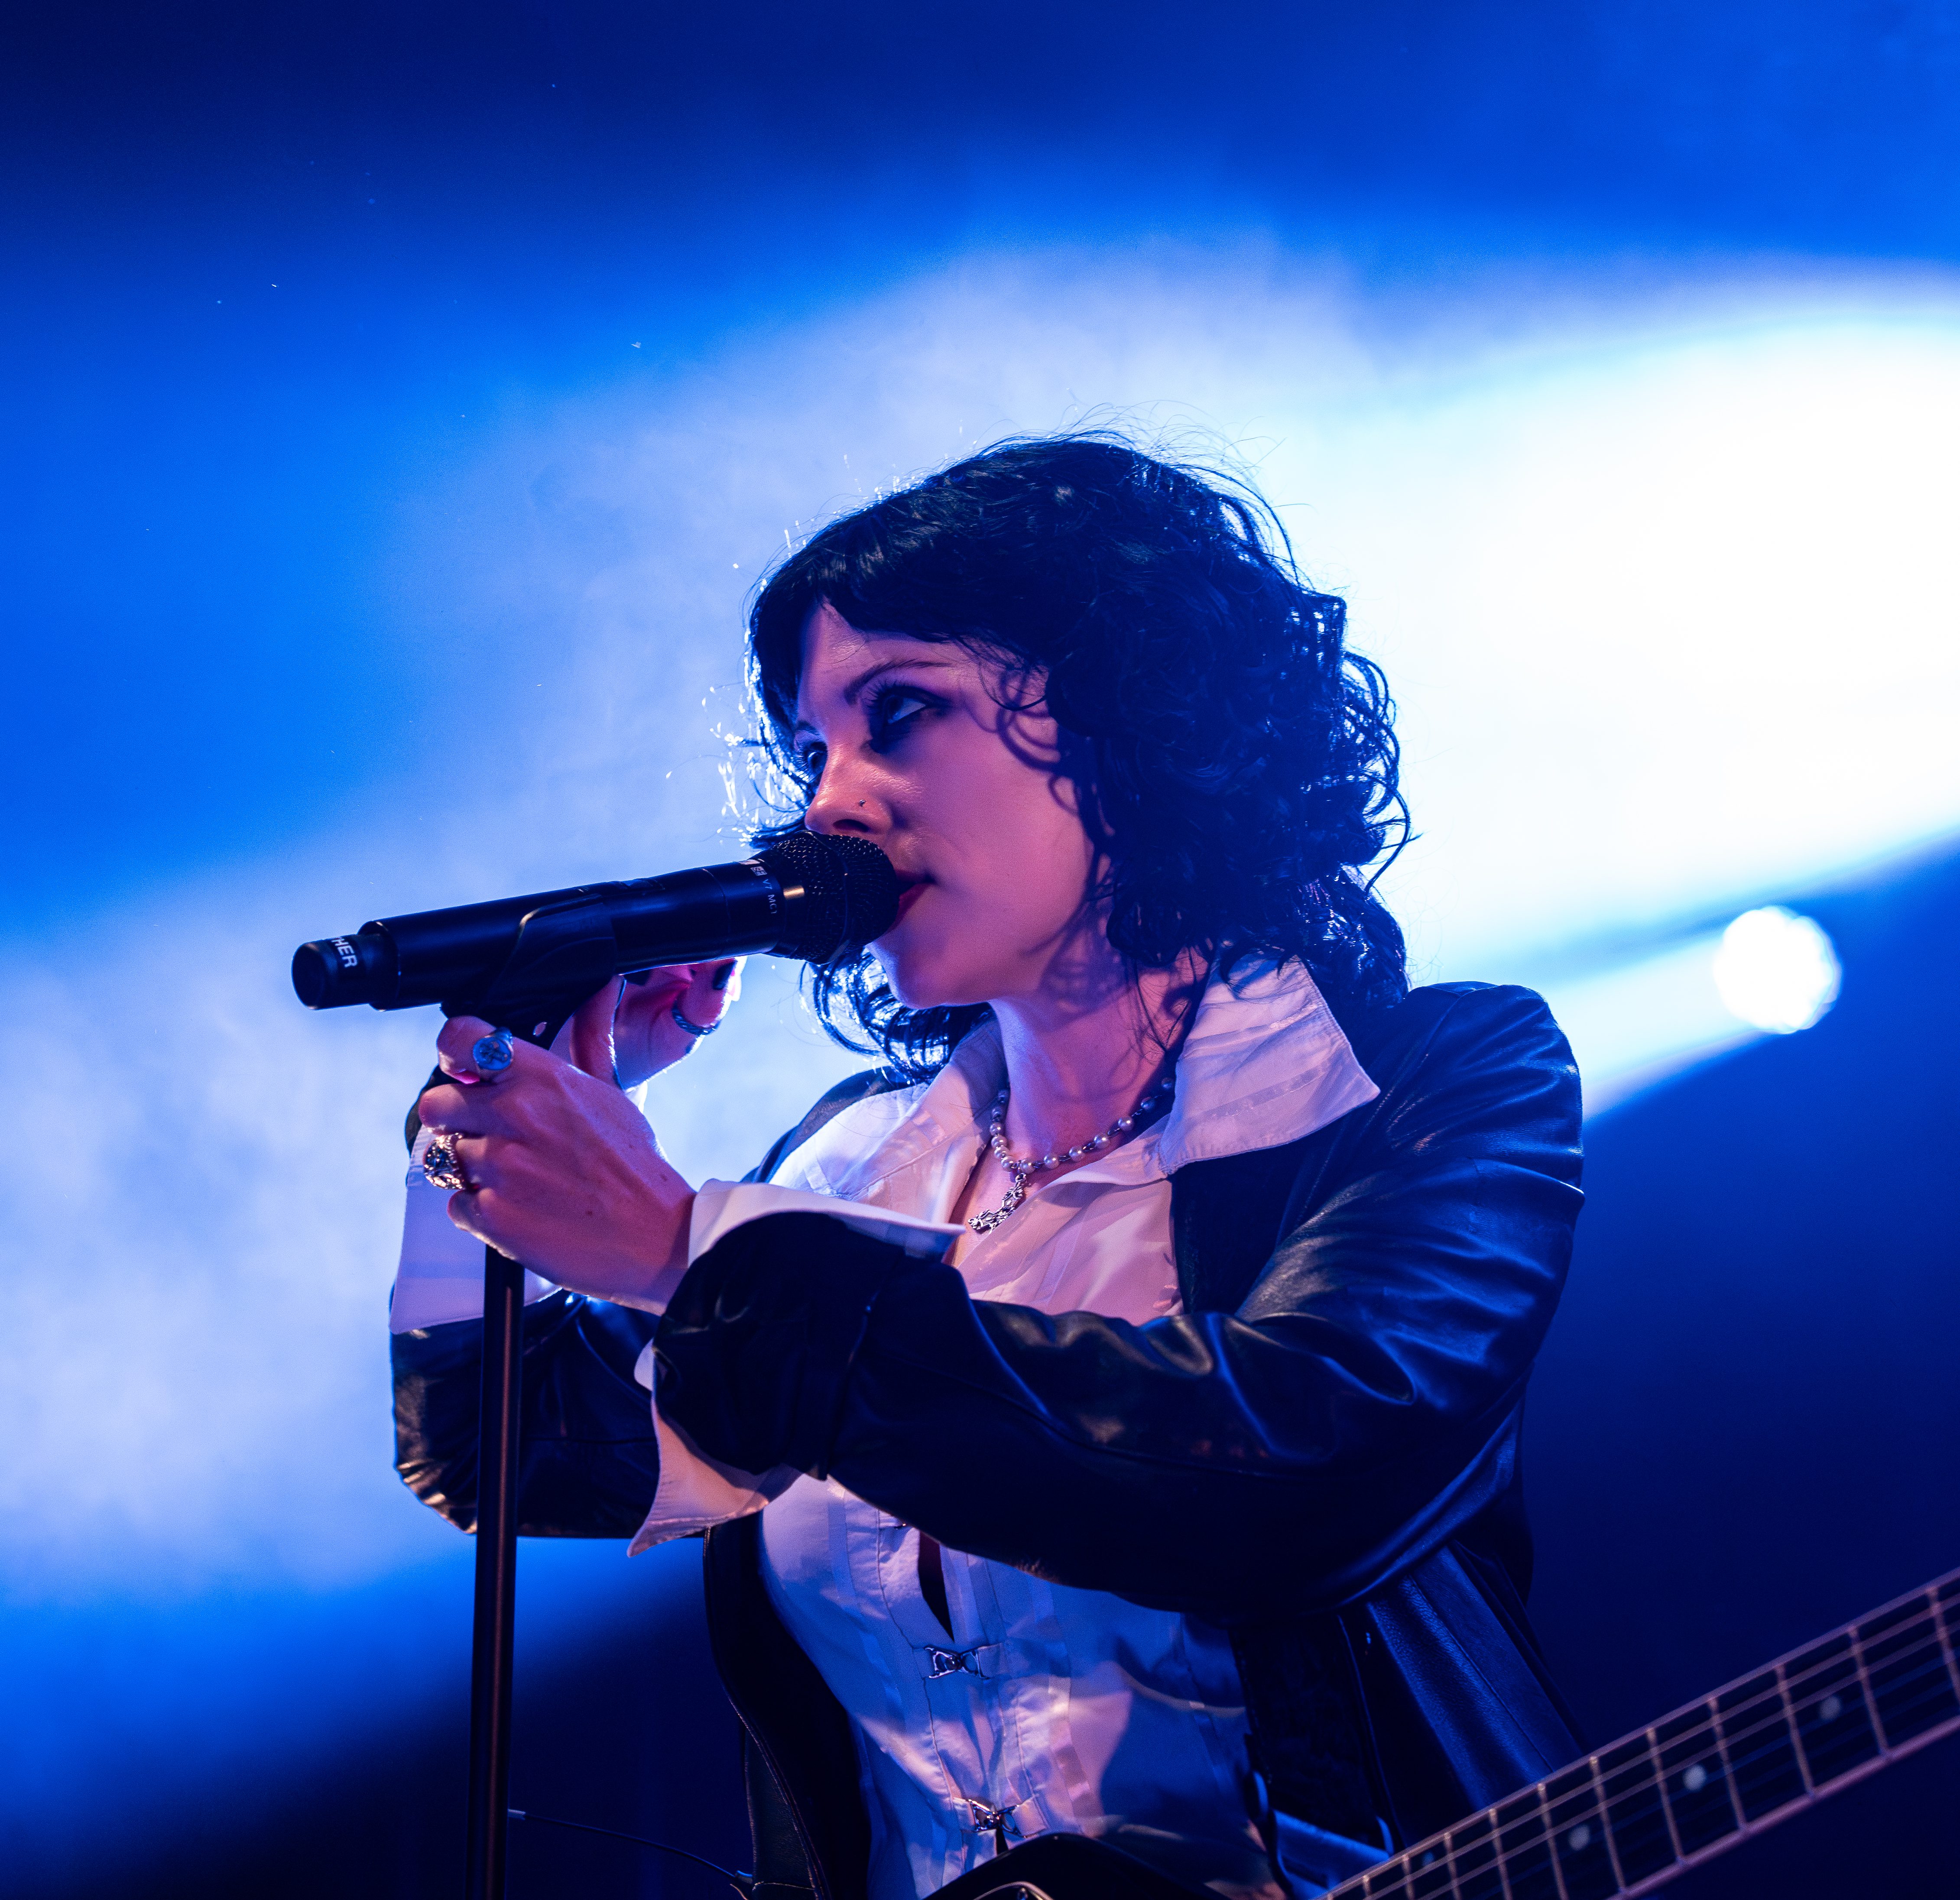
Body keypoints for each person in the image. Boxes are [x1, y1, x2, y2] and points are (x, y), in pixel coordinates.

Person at [395, 434, 1586, 1900]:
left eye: (897, 713)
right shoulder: (850, 1166)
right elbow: (499, 1450)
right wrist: (504, 1115)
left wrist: (683, 1253)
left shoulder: (1430, 1085)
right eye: (813, 748)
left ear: (1138, 711)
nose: (828, 804)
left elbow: (1294, 1472)